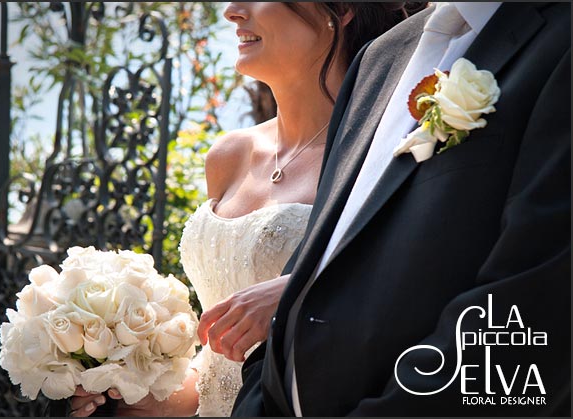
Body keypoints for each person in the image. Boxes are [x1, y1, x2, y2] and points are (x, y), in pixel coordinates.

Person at [69, 2, 417, 417]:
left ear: (341, 9)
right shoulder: (230, 155)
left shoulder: (384, 154)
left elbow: (407, 296)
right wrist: (141, 395)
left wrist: (299, 290)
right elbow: (220, 370)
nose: (232, 11)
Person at [230, 1, 571, 416]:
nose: (231, 10)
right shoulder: (379, 58)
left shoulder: (560, 38)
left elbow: (533, 308)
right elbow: (311, 275)